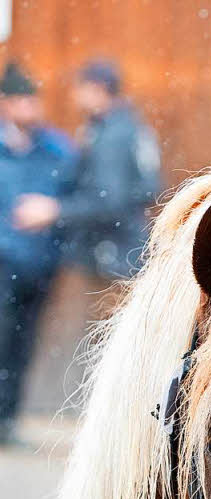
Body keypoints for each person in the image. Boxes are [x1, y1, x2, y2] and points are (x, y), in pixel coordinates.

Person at [14, 59, 161, 281]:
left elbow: (109, 201)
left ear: (97, 88)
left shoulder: (113, 136)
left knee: (95, 314)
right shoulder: (120, 125)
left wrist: (55, 210)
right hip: (118, 251)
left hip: (111, 254)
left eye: (79, 88)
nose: (74, 96)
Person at [0, 62, 73, 445]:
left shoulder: (55, 149)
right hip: (4, 263)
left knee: (22, 345)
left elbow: (72, 196)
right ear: (6, 104)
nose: (30, 107)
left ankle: (8, 420)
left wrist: (51, 214)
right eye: (22, 100)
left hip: (39, 266)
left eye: (33, 98)